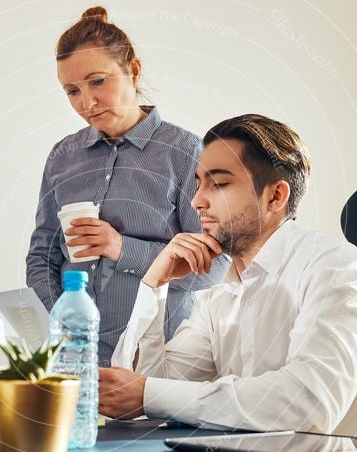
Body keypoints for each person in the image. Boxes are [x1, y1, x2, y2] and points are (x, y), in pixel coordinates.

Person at [98, 114, 357, 452]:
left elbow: (307, 407)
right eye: (199, 183)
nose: (197, 201)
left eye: (219, 183)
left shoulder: (339, 269)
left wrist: (148, 394)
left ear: (275, 196)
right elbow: (142, 397)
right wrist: (154, 284)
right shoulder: (220, 293)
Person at [26, 6, 227, 366]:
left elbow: (215, 267)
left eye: (98, 81)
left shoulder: (185, 153)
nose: (86, 103)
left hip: (154, 364)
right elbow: (42, 257)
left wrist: (121, 248)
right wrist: (65, 321)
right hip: (74, 362)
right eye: (72, 91)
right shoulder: (63, 156)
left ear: (133, 71)